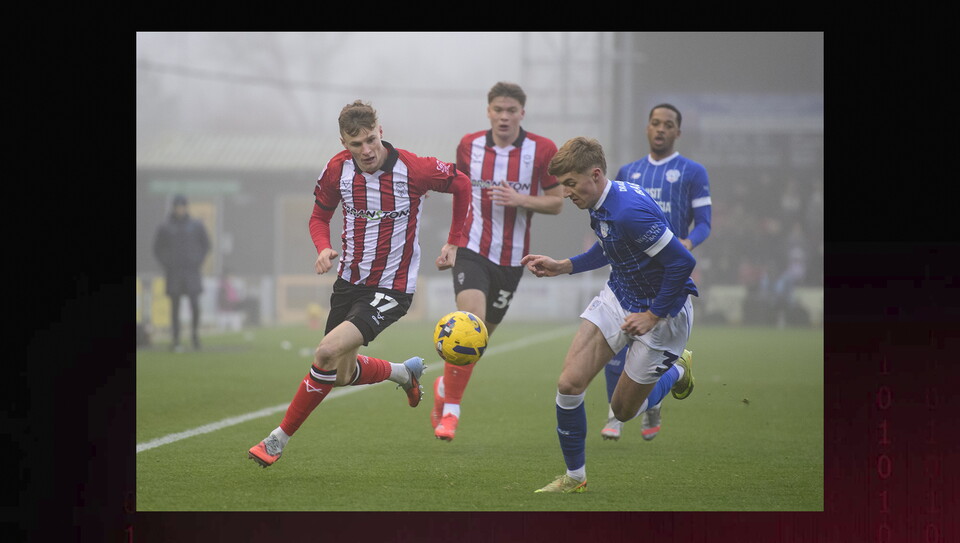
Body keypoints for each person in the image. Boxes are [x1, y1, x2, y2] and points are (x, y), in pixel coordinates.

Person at [248, 100, 473, 468]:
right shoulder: (337, 171)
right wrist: (323, 248)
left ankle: (277, 439)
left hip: (392, 288)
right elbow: (319, 215)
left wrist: (453, 241)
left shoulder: (414, 169)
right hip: (348, 283)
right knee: (340, 373)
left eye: (371, 140)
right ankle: (403, 372)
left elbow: (461, 183)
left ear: (380, 131)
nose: (366, 151)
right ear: (344, 143)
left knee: (324, 352)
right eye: (357, 145)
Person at [520, 137, 698, 493]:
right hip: (619, 295)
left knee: (623, 410)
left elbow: (683, 262)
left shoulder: (629, 210)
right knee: (569, 384)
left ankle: (678, 370)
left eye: (570, 183)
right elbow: (609, 245)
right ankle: (575, 478)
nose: (566, 192)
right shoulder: (600, 201)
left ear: (595, 174)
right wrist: (564, 266)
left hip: (664, 312)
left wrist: (652, 315)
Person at [431, 81, 563, 441]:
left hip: (511, 258)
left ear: (522, 112)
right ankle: (452, 414)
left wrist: (522, 200)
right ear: (488, 111)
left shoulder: (542, 149)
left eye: (511, 111)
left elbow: (557, 201)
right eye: (498, 110)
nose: (504, 117)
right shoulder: (468, 145)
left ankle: (445, 388)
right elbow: (459, 194)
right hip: (471, 249)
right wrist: (453, 241)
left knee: (479, 342)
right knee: (467, 326)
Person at [600, 103, 712, 442]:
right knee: (615, 340)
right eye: (654, 123)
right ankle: (614, 415)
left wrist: (688, 243)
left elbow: (705, 223)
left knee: (647, 350)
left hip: (668, 274)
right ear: (646, 128)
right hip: (628, 271)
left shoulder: (692, 172)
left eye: (668, 125)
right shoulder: (628, 172)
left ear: (678, 132)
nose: (660, 129)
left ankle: (665, 385)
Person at [152, 194, 211, 352]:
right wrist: (167, 264)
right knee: (175, 306)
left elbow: (206, 245)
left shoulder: (196, 225)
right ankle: (176, 339)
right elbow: (157, 249)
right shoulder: (165, 226)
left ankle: (195, 337)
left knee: (195, 304)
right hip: (174, 272)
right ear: (173, 208)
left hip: (192, 272)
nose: (180, 209)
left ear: (186, 207)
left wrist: (197, 261)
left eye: (182, 206)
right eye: (177, 206)